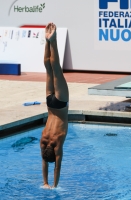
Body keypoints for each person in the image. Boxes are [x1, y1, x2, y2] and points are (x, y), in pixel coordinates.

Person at [40, 23, 69, 189]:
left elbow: (57, 167)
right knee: (48, 69)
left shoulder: (57, 143)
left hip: (60, 104)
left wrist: (53, 185)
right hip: (49, 104)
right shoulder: (43, 141)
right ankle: (47, 41)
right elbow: (44, 162)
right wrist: (44, 182)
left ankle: (54, 40)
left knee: (56, 69)